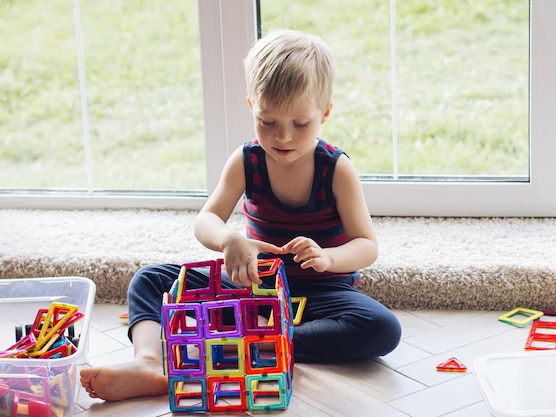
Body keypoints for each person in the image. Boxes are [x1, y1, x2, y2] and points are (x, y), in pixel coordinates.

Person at [79, 29, 401, 402]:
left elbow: (366, 245)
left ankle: (246, 348)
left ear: (325, 113)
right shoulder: (246, 161)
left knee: (381, 328)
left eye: (300, 124)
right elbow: (207, 219)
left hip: (321, 293)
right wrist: (229, 239)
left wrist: (329, 258)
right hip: (253, 287)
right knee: (150, 279)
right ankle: (150, 361)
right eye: (268, 122)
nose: (283, 137)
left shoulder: (336, 169)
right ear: (252, 107)